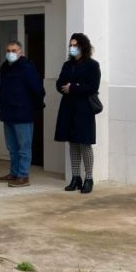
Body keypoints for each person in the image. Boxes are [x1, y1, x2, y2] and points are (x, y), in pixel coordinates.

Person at [55, 32, 101, 194]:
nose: (72, 48)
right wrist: (69, 86)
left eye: (75, 45)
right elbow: (59, 83)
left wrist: (73, 87)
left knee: (85, 144)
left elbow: (93, 87)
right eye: (71, 45)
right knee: (72, 143)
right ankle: (76, 177)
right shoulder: (67, 65)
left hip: (84, 109)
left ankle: (88, 178)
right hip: (68, 108)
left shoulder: (92, 65)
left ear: (83, 46)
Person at [0, 40, 46, 187]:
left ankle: (23, 176)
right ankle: (14, 173)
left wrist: (34, 106)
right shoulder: (5, 67)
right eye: (8, 50)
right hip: (8, 112)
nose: (10, 53)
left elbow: (38, 89)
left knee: (23, 147)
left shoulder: (27, 67)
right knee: (12, 147)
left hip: (23, 113)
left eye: (14, 50)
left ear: (21, 52)